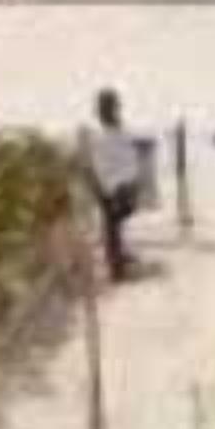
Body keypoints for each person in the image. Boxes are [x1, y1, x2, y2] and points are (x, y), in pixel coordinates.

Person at [80, 84, 157, 282]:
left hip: (116, 191)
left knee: (112, 223)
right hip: (118, 190)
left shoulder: (106, 133)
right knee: (112, 224)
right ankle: (117, 263)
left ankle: (117, 263)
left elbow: (96, 163)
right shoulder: (108, 132)